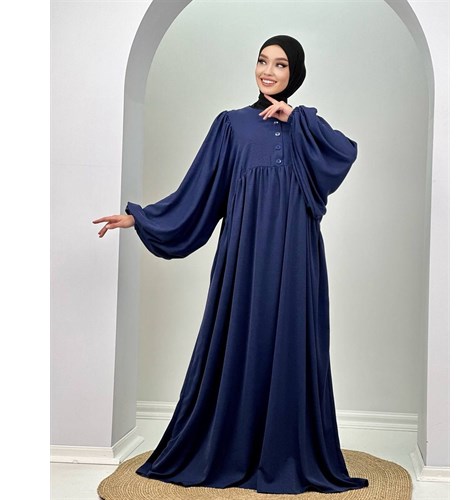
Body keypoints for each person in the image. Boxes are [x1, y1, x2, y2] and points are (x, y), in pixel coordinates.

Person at [93, 35, 368, 495]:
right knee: (244, 336)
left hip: (297, 257)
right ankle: (233, 447)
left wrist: (296, 119)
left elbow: (345, 152)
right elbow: (198, 189)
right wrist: (140, 217)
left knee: (292, 341)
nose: (268, 71)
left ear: (295, 73)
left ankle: (286, 451)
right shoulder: (231, 125)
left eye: (280, 64)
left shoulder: (307, 125)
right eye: (262, 61)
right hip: (245, 257)